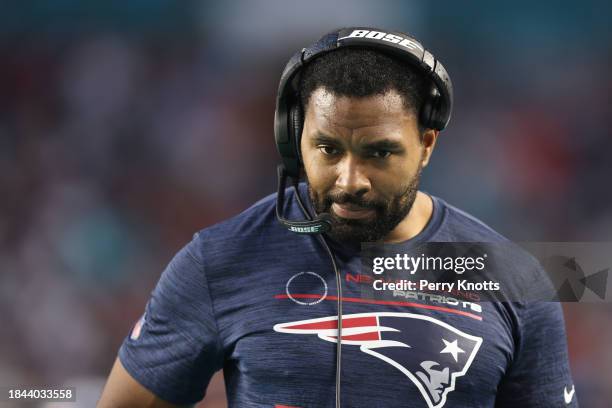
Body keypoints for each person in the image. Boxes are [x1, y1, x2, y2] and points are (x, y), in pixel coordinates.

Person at [98, 27, 577, 408]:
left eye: (379, 152)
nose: (350, 180)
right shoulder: (219, 261)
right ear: (294, 141)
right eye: (327, 149)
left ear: (426, 145)